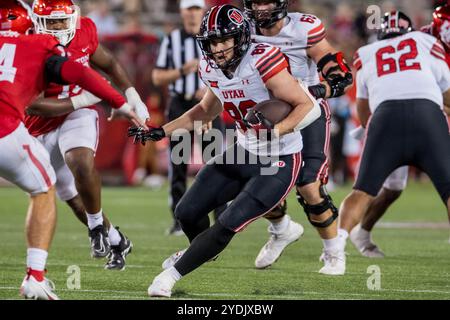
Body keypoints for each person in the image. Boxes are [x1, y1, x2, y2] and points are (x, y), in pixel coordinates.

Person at [131, 5, 322, 298]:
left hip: (279, 159)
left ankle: (169, 276)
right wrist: (161, 131)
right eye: (212, 42)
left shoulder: (262, 60)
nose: (218, 48)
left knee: (228, 222)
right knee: (187, 212)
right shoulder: (209, 67)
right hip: (243, 150)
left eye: (224, 40)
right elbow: (205, 110)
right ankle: (202, 250)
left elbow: (307, 105)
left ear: (241, 36)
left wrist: (276, 131)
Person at [0, 0, 143, 299]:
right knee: (66, 194)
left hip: (75, 116)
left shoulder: (84, 30)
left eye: (61, 21)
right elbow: (33, 103)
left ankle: (94, 229)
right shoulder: (29, 41)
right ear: (35, 22)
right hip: (38, 124)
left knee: (78, 161)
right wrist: (93, 99)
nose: (57, 28)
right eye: (49, 23)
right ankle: (115, 238)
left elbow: (107, 64)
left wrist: (129, 94)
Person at [243, 0, 353, 274]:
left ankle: (334, 252)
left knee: (308, 185)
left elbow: (336, 71)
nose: (261, 8)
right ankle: (281, 229)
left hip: (307, 112)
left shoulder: (303, 28)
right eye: (255, 2)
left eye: (266, 1)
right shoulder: (242, 29)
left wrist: (316, 90)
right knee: (258, 184)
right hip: (266, 115)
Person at [337, 11, 450, 270]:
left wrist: (371, 129)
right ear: (410, 31)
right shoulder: (425, 42)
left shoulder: (366, 52)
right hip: (426, 118)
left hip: (385, 120)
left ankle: (337, 248)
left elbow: (363, 110)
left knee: (368, 190)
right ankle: (359, 235)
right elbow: (446, 95)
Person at [152, 0, 225, 236]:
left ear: (202, 11)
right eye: (189, 9)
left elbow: (228, 70)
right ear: (182, 12)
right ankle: (179, 220)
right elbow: (157, 78)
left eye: (196, 9)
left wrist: (210, 91)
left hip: (209, 105)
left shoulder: (214, 36)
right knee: (179, 164)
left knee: (216, 163)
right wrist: (182, 71)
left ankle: (222, 219)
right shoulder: (172, 40)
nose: (193, 14)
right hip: (181, 105)